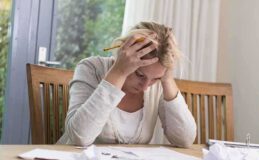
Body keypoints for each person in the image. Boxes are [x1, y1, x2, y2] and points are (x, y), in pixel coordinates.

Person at [57, 21, 197, 148]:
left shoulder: (159, 83)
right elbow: (79, 137)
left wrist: (166, 79)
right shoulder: (91, 68)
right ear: (124, 54)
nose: (145, 87)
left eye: (156, 79)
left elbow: (185, 140)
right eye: (140, 75)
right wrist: (119, 72)